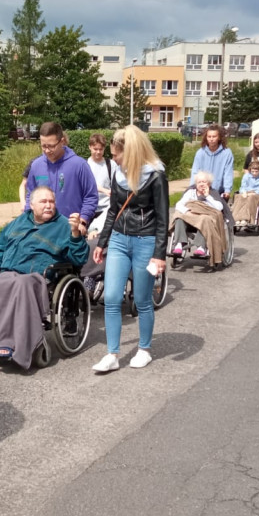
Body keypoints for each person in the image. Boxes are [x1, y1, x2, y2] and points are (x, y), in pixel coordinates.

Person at [0, 186, 88, 366]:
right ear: (31, 205)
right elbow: (0, 246)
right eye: (43, 202)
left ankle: (11, 342)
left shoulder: (64, 225)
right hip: (9, 271)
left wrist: (75, 234)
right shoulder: (18, 222)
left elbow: (79, 258)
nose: (48, 205)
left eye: (51, 202)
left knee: (21, 285)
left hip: (38, 276)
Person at [92, 126, 169, 373]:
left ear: (132, 152)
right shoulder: (119, 174)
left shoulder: (156, 175)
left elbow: (163, 218)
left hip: (145, 241)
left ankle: (144, 349)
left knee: (143, 299)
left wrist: (159, 254)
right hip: (118, 240)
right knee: (112, 297)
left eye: (117, 154)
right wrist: (102, 242)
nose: (113, 159)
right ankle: (112, 354)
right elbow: (113, 210)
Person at [24, 122, 99, 234]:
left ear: (62, 141)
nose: (47, 150)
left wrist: (83, 221)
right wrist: (27, 219)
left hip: (70, 231)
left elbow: (91, 196)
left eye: (51, 146)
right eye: (44, 146)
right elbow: (31, 195)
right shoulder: (36, 165)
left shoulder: (79, 165)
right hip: (42, 231)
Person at [171, 171, 226, 265]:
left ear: (208, 184)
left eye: (204, 182)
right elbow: (179, 204)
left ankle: (201, 247)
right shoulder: (190, 193)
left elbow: (219, 208)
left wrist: (207, 196)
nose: (201, 184)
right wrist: (186, 211)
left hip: (204, 220)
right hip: (190, 219)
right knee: (179, 217)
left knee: (205, 219)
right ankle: (179, 244)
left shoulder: (213, 193)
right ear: (196, 184)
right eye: (199, 182)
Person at [189, 124, 235, 200]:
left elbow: (228, 173)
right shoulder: (200, 153)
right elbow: (195, 172)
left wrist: (227, 190)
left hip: (218, 192)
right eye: (209, 136)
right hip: (201, 191)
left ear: (219, 137)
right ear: (206, 138)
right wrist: (192, 187)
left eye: (214, 136)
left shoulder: (227, 153)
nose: (211, 139)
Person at [86, 132, 114, 236]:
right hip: (90, 209)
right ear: (90, 147)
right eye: (95, 149)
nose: (98, 152)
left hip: (106, 209)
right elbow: (88, 185)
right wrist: (104, 190)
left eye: (100, 149)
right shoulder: (85, 165)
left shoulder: (111, 164)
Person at [231, 160, 259, 228]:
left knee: (251, 198)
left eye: (256, 171)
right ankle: (237, 219)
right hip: (247, 192)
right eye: (252, 171)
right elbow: (243, 187)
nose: (254, 173)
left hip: (258, 195)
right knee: (238, 197)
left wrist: (253, 193)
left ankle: (246, 219)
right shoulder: (246, 176)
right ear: (250, 170)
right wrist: (244, 192)